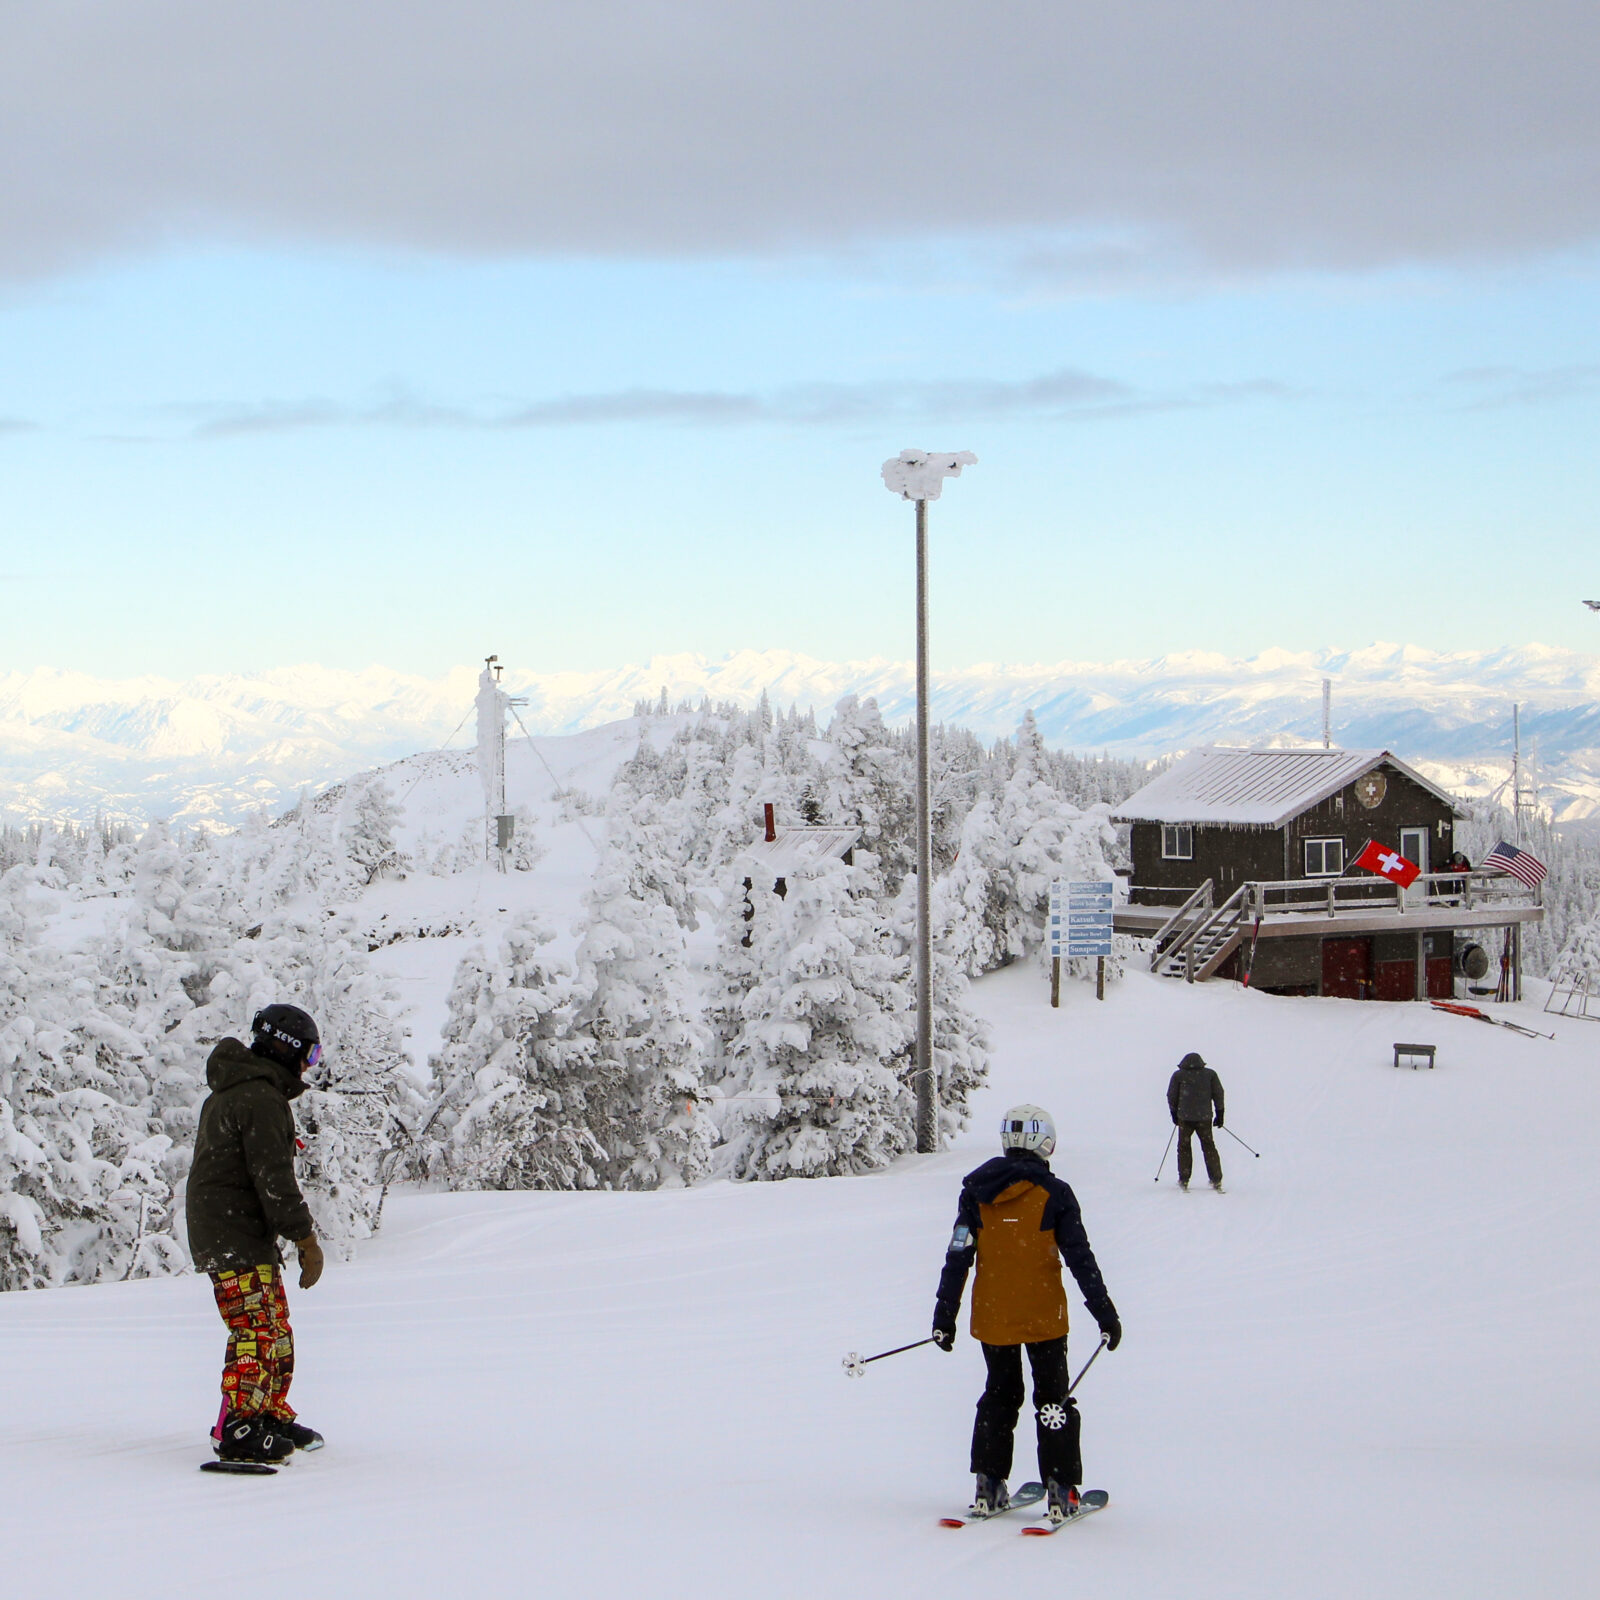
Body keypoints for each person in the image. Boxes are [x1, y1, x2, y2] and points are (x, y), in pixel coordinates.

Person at [931, 1104, 1121, 1525]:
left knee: (999, 1395)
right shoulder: (1056, 1194)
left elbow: (958, 1254)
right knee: (1052, 1399)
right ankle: (1061, 1490)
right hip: (1043, 1316)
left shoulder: (975, 1193)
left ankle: (988, 1484)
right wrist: (1104, 1313)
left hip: (993, 1315)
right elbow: (1080, 1258)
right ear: (1045, 1142)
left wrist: (945, 1315)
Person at [186, 1003, 327, 1465]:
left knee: (274, 1328)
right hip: (233, 1233)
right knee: (255, 1329)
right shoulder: (258, 1098)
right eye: (310, 1054)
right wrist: (305, 1238)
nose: (309, 1066)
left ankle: (266, 1413)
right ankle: (238, 1426)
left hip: (241, 1230)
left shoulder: (247, 1092)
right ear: (287, 1050)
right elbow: (273, 1179)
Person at [1167, 1051, 1225, 1192]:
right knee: (1209, 1147)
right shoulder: (1210, 1074)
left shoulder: (1178, 1075)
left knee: (1184, 1148)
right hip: (1204, 1118)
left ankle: (1184, 1179)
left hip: (1185, 1118)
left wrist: (1174, 1113)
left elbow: (1171, 1095)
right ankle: (1216, 1179)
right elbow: (1218, 1093)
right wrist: (1220, 1113)